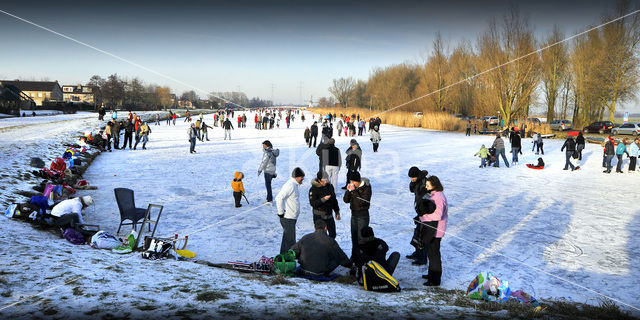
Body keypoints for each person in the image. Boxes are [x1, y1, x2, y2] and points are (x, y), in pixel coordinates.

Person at [420, 176, 448, 287]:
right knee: (431, 253)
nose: (426, 187)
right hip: (432, 228)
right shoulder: (434, 194)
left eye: (428, 185)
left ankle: (435, 280)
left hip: (436, 229)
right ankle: (431, 274)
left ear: (434, 185)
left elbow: (438, 215)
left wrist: (423, 217)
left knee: (434, 254)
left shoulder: (439, 197)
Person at [343, 171, 371, 260]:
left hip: (363, 216)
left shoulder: (366, 187)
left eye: (353, 181)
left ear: (358, 181)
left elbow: (363, 201)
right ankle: (354, 256)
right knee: (354, 237)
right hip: (354, 215)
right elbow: (346, 200)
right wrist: (348, 191)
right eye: (351, 181)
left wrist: (354, 191)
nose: (352, 183)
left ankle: (362, 257)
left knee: (361, 239)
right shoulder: (353, 188)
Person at [275, 168, 305, 254]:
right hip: (288, 217)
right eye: (301, 177)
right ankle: (288, 260)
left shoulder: (294, 185)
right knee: (290, 241)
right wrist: (280, 213)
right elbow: (279, 198)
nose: (303, 179)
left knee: (287, 240)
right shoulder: (290, 185)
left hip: (292, 217)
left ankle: (283, 259)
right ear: (297, 177)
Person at [407, 166, 430, 265]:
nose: (412, 179)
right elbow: (412, 190)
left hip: (425, 211)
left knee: (422, 235)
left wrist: (423, 212)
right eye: (411, 178)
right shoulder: (417, 181)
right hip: (420, 210)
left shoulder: (425, 181)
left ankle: (422, 258)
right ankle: (417, 253)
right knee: (417, 233)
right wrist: (413, 182)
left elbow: (427, 197)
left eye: (413, 177)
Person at [309, 171, 341, 239]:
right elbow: (313, 203)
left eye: (326, 180)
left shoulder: (330, 187)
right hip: (319, 216)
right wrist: (323, 199)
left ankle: (330, 248)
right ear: (319, 180)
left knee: (333, 234)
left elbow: (334, 200)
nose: (325, 182)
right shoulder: (313, 189)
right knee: (320, 236)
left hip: (329, 214)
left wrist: (337, 211)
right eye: (323, 180)